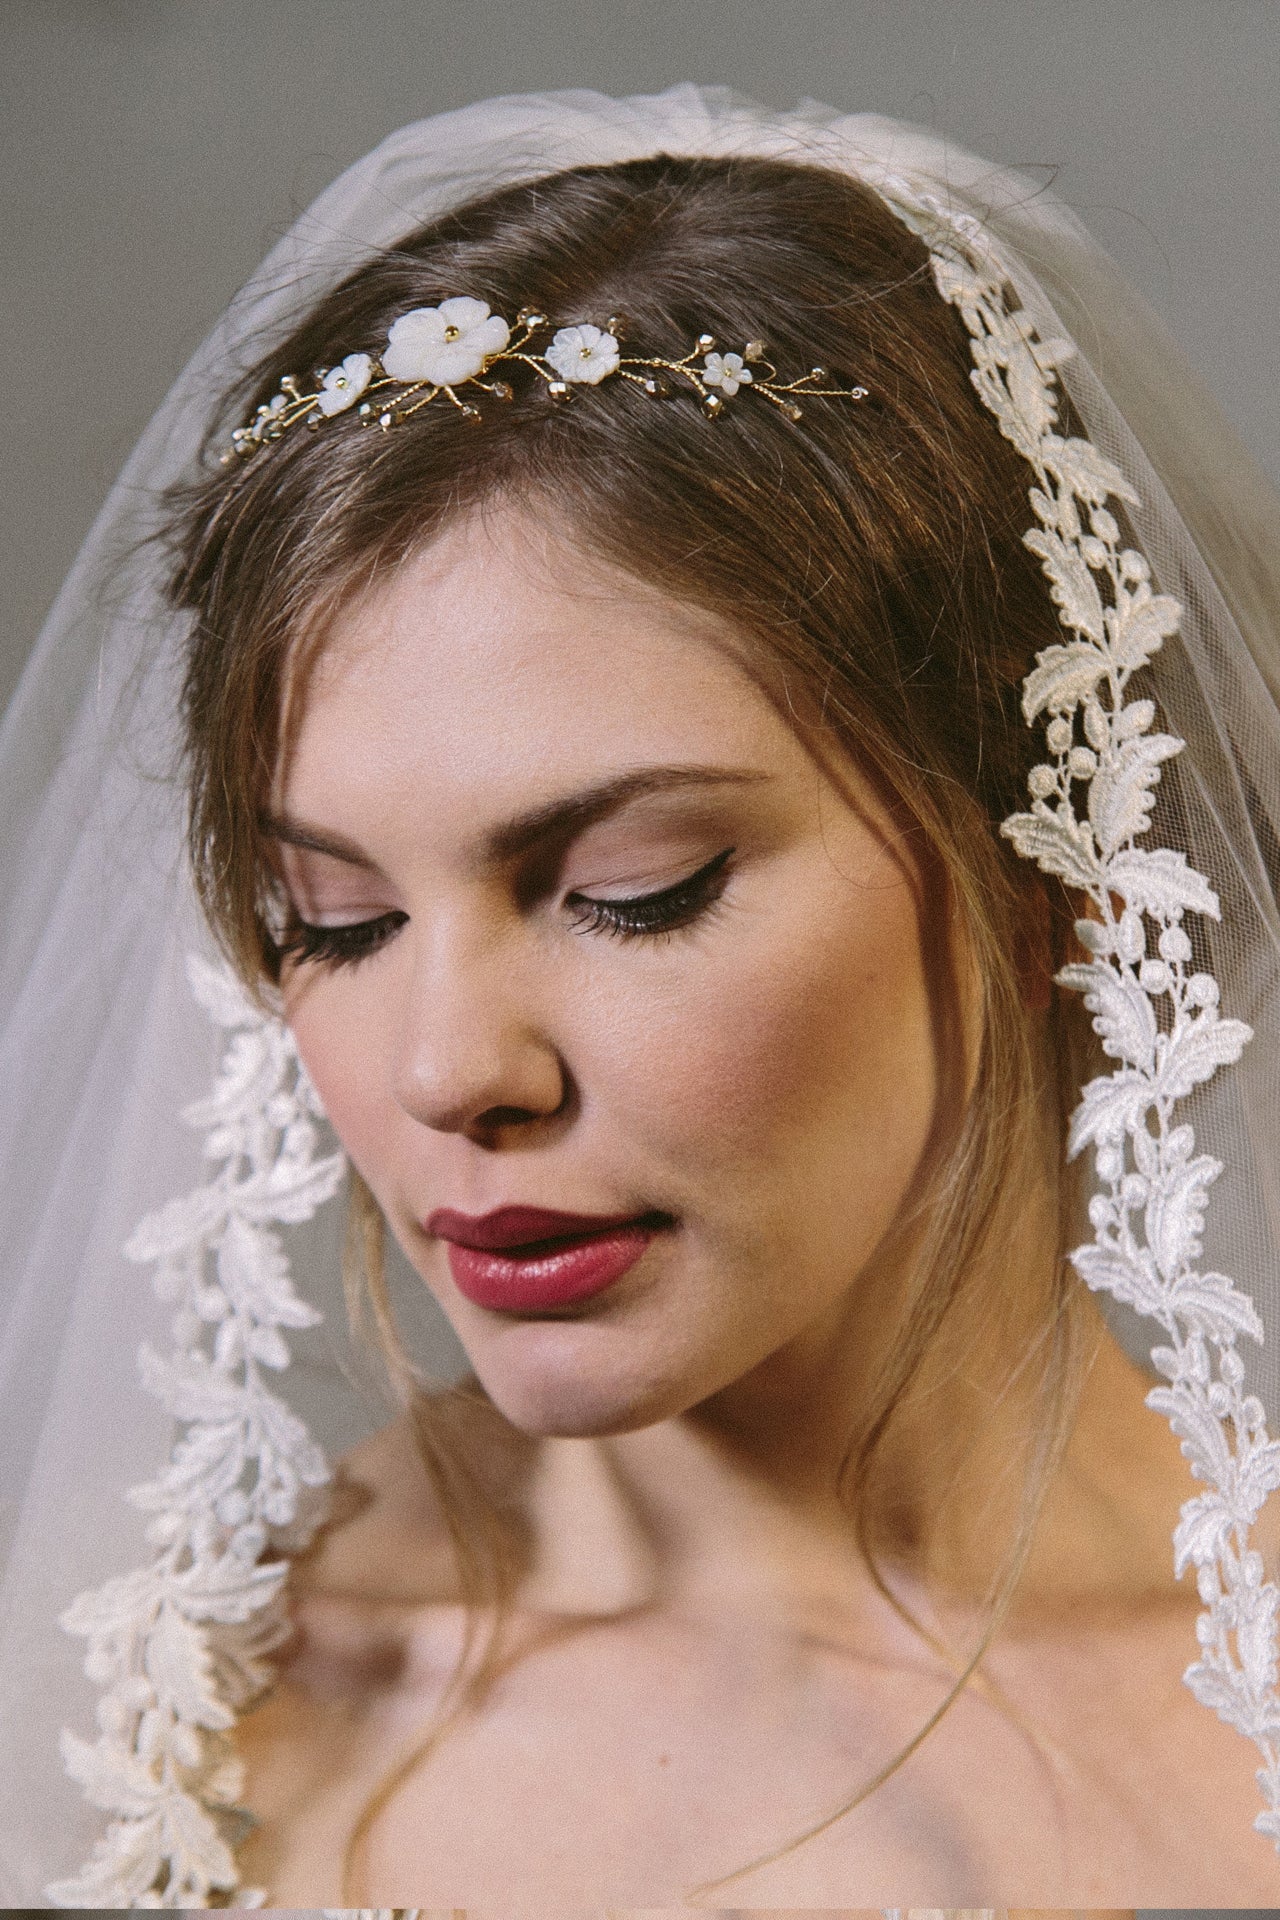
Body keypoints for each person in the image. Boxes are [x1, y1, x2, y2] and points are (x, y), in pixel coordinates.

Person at [1, 86, 1279, 1909]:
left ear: (1054, 871)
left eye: (633, 894)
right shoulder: (135, 1727)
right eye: (333, 919)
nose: (449, 1071)